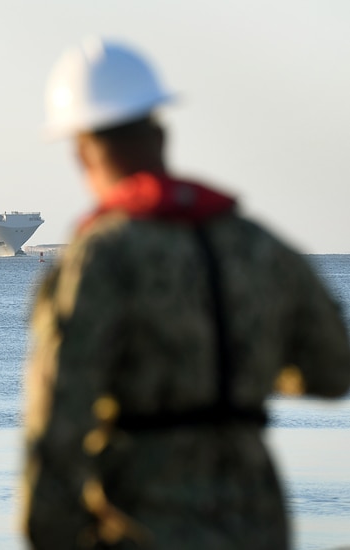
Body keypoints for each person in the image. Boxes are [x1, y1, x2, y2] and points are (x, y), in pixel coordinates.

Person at [22, 38, 350, 549]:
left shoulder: (100, 258)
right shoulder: (257, 244)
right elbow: (334, 370)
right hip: (257, 523)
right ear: (160, 131)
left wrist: (47, 531)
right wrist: (241, 369)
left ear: (80, 152)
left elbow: (60, 414)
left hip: (143, 521)